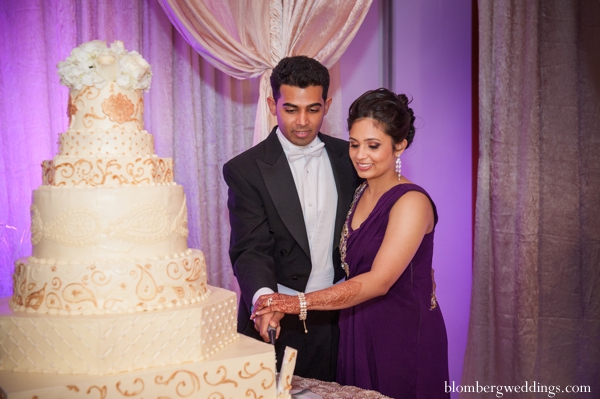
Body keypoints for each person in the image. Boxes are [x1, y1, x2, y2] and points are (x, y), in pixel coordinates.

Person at [252, 88, 450, 398]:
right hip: (356, 326)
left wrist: (295, 304)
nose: (360, 155)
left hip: (401, 333)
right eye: (355, 144)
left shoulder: (411, 202)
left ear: (400, 146)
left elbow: (379, 280)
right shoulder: (359, 191)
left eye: (373, 146)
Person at [222, 56, 358, 381]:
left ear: (327, 104)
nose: (302, 121)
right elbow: (250, 249)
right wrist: (265, 301)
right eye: (291, 109)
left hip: (342, 317)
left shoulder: (351, 158)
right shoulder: (245, 170)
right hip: (278, 319)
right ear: (272, 104)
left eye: (313, 109)